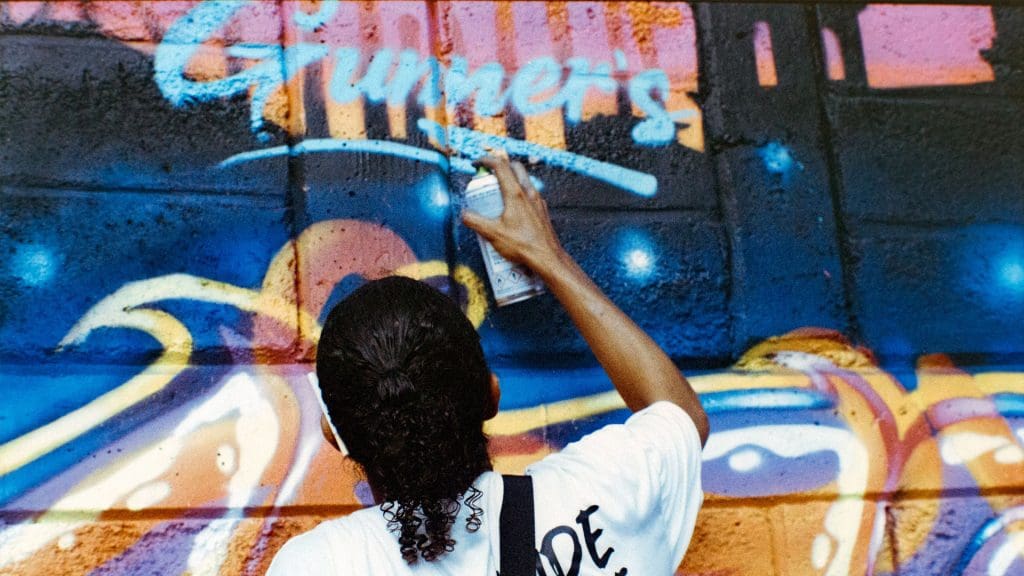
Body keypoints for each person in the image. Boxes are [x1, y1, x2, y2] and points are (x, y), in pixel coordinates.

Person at [267, 155, 710, 575]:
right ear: (492, 394)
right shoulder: (609, 492)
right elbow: (680, 416)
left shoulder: (316, 564)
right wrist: (549, 258)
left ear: (334, 433)